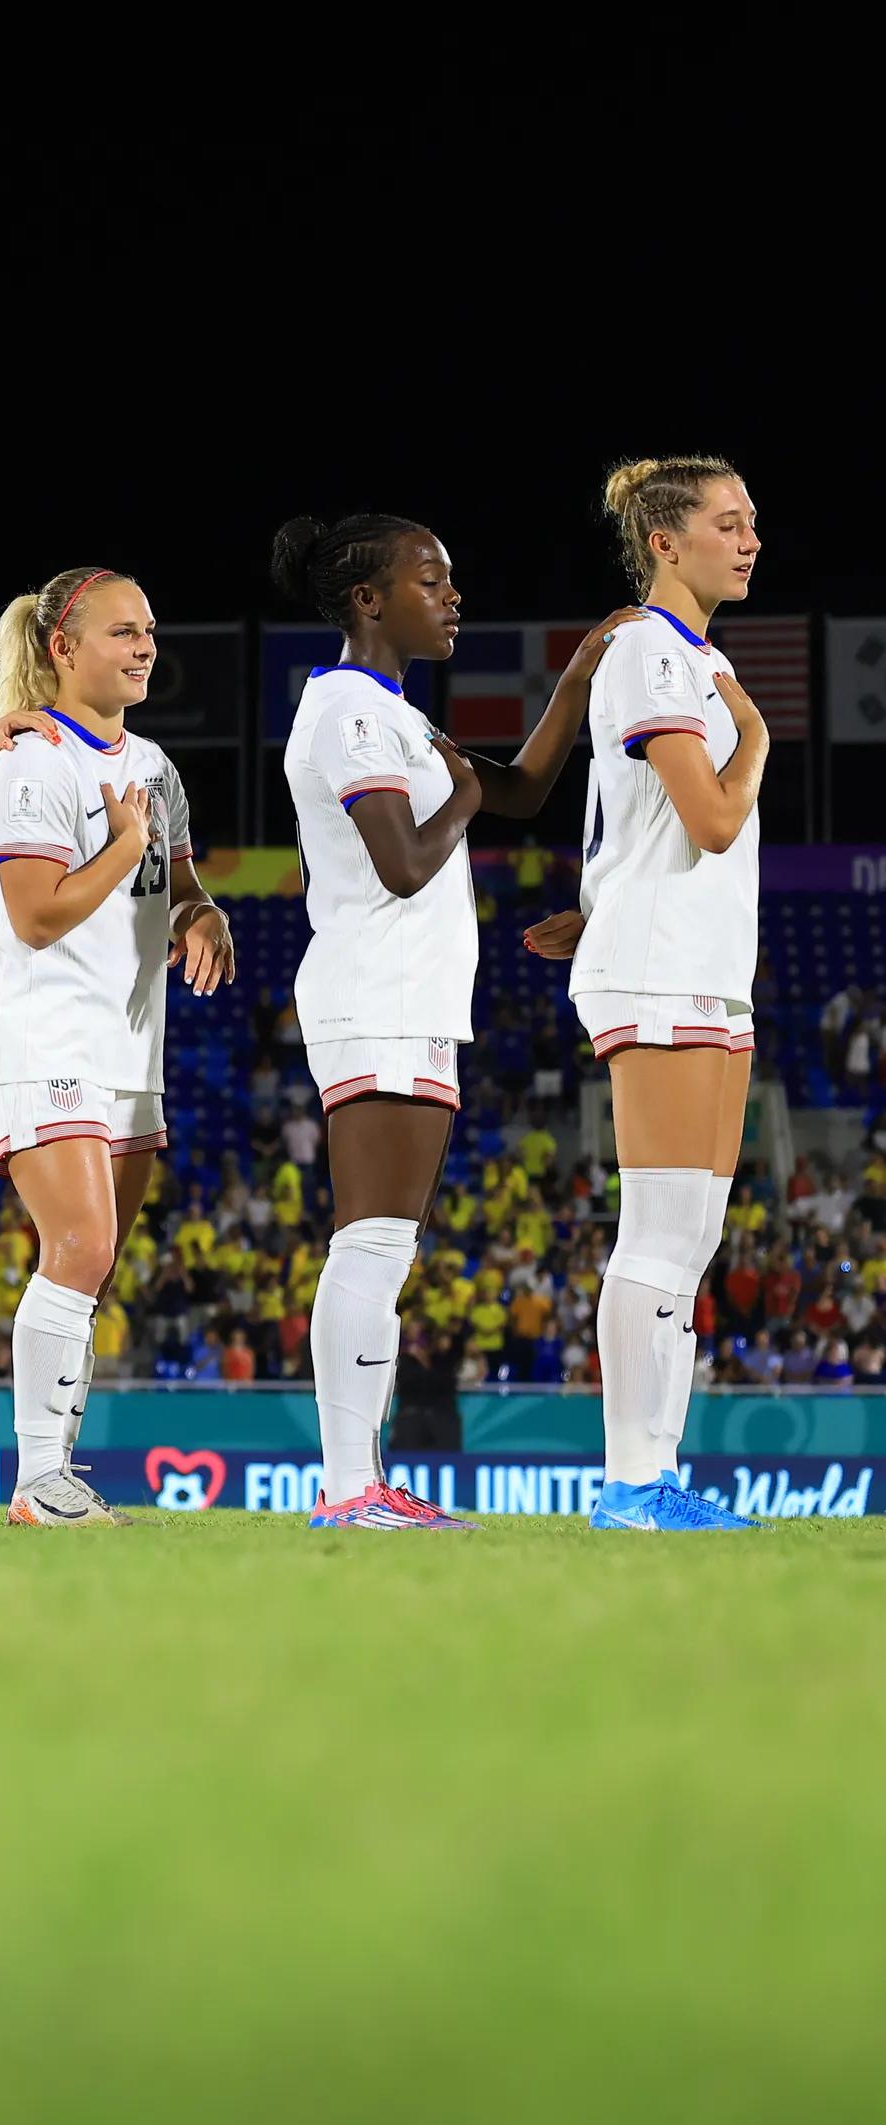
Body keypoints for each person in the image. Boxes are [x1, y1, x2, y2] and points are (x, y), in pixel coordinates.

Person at [271, 513, 614, 1527]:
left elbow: (518, 788)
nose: (452, 595)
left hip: (403, 997)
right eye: (431, 579)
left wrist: (573, 684)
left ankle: (358, 1480)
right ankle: (345, 1488)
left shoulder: (393, 716)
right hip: (374, 993)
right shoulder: (347, 711)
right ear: (369, 600)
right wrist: (460, 794)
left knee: (384, 1245)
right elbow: (404, 860)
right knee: (370, 1243)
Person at [525, 458, 768, 1530]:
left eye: (752, 520)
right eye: (728, 521)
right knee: (659, 1233)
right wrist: (754, 732)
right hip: (663, 967)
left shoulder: (684, 657)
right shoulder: (650, 652)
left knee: (691, 1236)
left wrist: (605, 895)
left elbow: (651, 823)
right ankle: (628, 1483)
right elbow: (712, 818)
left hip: (700, 962)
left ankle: (655, 1478)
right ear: (664, 541)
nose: (750, 537)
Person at [0, 567, 235, 1526]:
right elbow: (35, 916)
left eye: (151, 632)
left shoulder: (156, 767)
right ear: (62, 648)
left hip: (128, 1043)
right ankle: (39, 1480)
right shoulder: (32, 764)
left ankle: (59, 1471)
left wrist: (203, 916)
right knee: (78, 1243)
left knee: (97, 1259)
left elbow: (182, 880)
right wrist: (124, 846)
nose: (145, 648)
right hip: (44, 1032)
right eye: (123, 632)